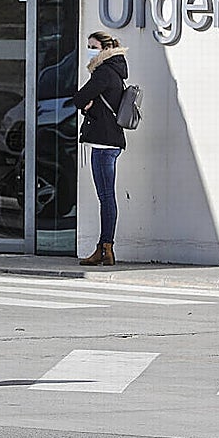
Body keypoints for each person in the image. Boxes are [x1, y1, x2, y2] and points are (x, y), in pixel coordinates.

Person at [71, 31, 129, 266]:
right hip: (111, 141)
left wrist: (86, 106)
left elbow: (78, 98)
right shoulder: (116, 71)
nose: (89, 50)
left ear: (104, 49)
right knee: (107, 197)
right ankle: (105, 247)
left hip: (104, 144)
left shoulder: (103, 72)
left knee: (106, 197)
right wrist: (89, 106)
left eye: (93, 46)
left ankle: (106, 248)